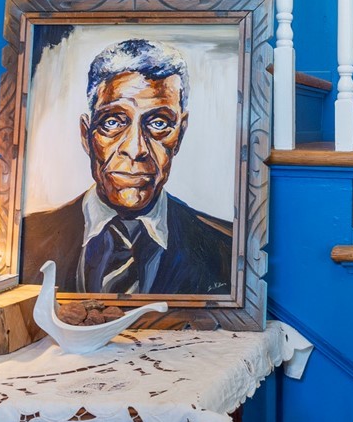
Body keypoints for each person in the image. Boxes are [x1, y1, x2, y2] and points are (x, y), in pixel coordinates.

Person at [20, 39, 234, 296]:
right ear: (86, 135)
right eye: (112, 122)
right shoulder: (26, 242)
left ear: (180, 134)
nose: (135, 149)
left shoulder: (226, 248)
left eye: (158, 123)